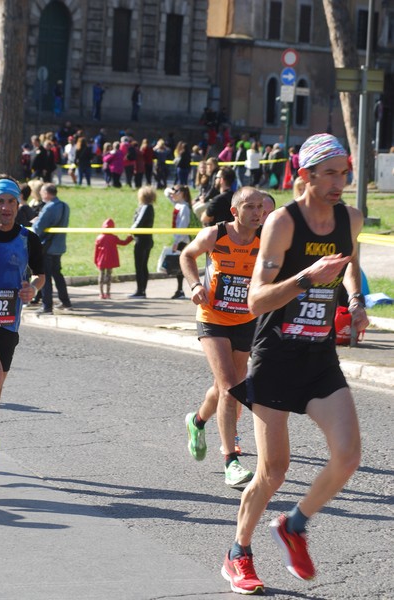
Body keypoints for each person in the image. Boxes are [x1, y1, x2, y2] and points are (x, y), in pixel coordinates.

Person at [221, 134, 369, 595]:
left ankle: (294, 525)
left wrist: (358, 299)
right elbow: (254, 299)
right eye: (330, 173)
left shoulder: (352, 217)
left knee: (348, 455)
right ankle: (238, 552)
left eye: (344, 172)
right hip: (277, 356)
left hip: (320, 355)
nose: (340, 182)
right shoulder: (283, 223)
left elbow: (348, 261)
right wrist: (304, 279)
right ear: (304, 175)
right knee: (273, 471)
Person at [180, 187, 266, 487]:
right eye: (250, 207)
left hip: (247, 320)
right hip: (212, 318)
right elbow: (186, 256)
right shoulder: (215, 235)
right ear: (235, 210)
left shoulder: (267, 239)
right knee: (231, 388)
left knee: (225, 386)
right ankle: (232, 461)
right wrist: (193, 286)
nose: (257, 213)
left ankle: (197, 421)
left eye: (261, 208)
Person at [0, 175, 45, 467]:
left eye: (11, 201)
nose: (6, 207)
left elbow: (40, 274)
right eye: (0, 201)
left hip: (8, 320)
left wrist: (32, 288)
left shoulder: (28, 238)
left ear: (18, 204)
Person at [32, 183, 72, 314]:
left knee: (45, 277)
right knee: (58, 275)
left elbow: (38, 228)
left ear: (47, 194)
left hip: (48, 247)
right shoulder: (65, 206)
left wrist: (35, 221)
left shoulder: (49, 207)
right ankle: (65, 301)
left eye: (42, 193)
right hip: (59, 246)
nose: (41, 195)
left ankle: (47, 305)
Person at [127, 186, 156, 298]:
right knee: (143, 265)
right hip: (147, 239)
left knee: (140, 266)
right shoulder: (148, 207)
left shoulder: (146, 207)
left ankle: (140, 290)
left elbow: (139, 222)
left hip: (142, 240)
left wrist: (130, 231)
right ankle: (142, 290)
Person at [164, 185, 192, 299]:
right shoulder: (177, 204)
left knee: (180, 265)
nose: (173, 194)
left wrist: (177, 241)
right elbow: (166, 192)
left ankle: (180, 290)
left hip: (182, 240)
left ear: (182, 193)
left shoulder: (184, 207)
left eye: (176, 191)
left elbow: (183, 226)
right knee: (177, 264)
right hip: (178, 239)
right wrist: (173, 190)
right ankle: (179, 290)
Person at [94, 219, 132, 299]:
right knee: (109, 275)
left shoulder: (99, 237)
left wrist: (96, 260)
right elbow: (124, 243)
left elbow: (96, 250)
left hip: (101, 260)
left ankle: (101, 293)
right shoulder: (113, 237)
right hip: (110, 260)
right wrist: (130, 237)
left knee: (101, 275)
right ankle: (108, 293)